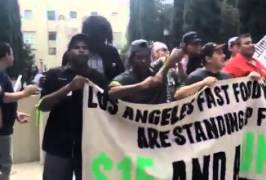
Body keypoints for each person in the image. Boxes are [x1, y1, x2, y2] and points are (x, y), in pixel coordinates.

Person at [38, 34, 108, 180]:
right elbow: (43, 106)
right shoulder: (54, 74)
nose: (81, 50)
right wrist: (69, 87)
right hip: (58, 144)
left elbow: (108, 110)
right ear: (68, 52)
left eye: (85, 48)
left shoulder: (98, 78)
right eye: (77, 47)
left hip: (89, 147)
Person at [0, 42, 39, 180]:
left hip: (5, 128)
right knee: (4, 166)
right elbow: (3, 98)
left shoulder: (2, 74)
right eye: (12, 53)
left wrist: (15, 114)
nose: (13, 56)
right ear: (6, 54)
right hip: (2, 131)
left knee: (5, 165)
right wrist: (25, 93)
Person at [108, 39, 183, 104]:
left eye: (147, 57)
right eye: (139, 57)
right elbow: (111, 92)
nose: (144, 61)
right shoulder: (125, 77)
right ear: (131, 59)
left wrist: (163, 70)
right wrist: (141, 85)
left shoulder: (156, 68)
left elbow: (175, 54)